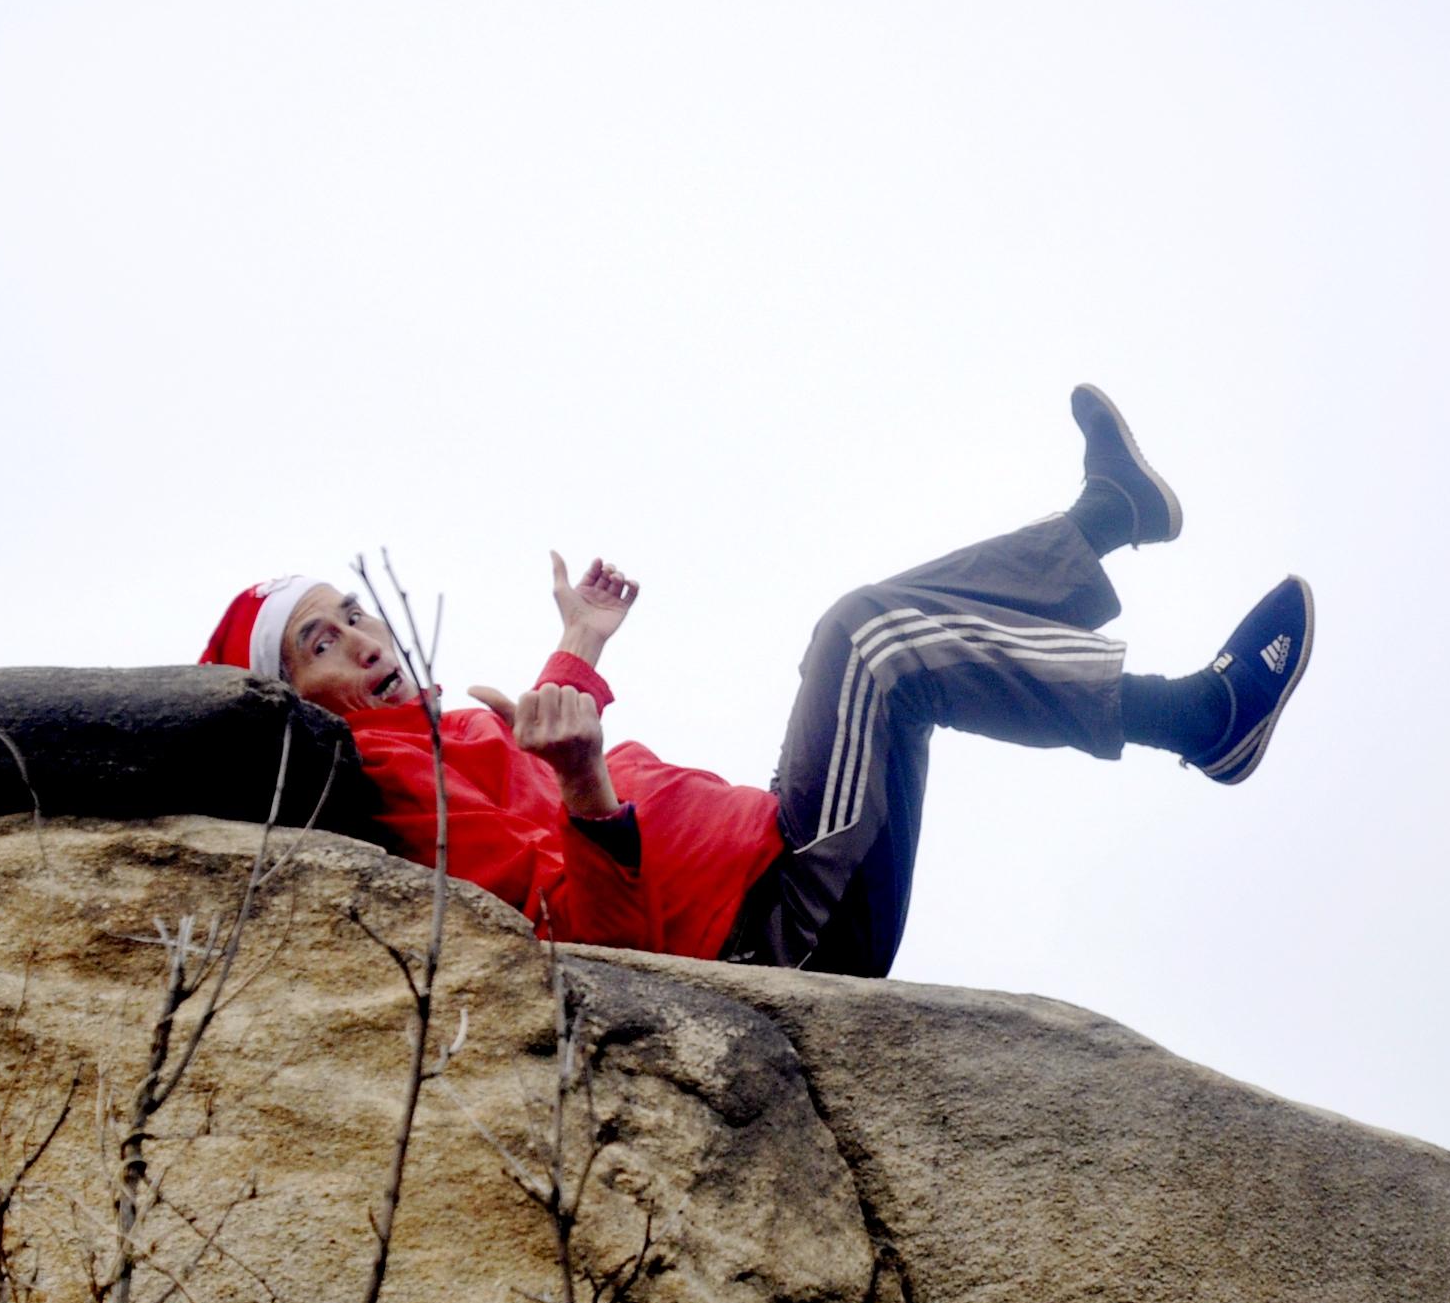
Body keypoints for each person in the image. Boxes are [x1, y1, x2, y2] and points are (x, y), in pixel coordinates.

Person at [198, 386, 1313, 977]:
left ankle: (1108, 519)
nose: (357, 635)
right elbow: (587, 949)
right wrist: (592, 788)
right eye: (318, 644)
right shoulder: (390, 789)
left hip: (778, 862)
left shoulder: (438, 740)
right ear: (294, 699)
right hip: (771, 936)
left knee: (869, 637)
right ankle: (1200, 716)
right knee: (869, 644)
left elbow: (522, 756)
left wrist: (579, 648)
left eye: (350, 611)